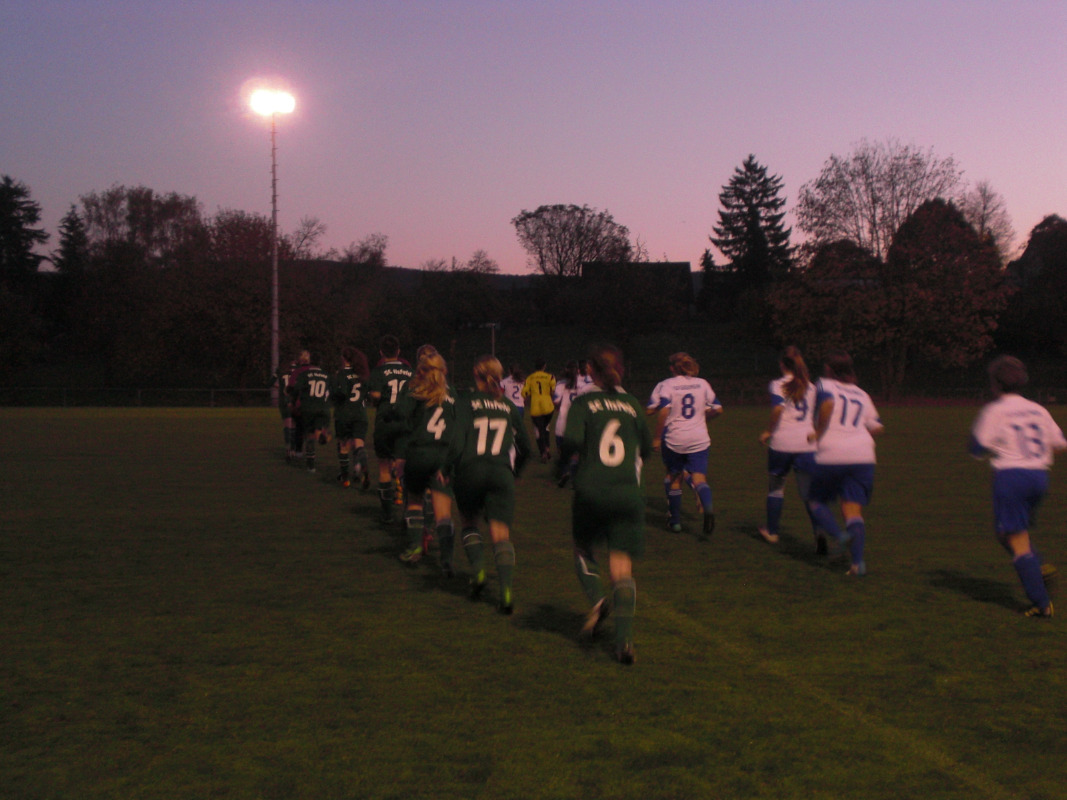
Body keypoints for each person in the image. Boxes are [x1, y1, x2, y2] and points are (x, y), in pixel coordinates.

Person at [560, 344, 652, 665]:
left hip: (593, 490)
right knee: (621, 565)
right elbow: (647, 448)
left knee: (583, 549)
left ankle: (599, 602)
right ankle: (624, 642)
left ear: (592, 372)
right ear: (620, 371)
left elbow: (570, 441)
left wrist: (566, 464)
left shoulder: (584, 402)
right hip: (628, 493)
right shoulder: (632, 405)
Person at [970, 355, 1066, 618]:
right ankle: (1039, 567)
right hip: (1039, 478)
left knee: (1016, 539)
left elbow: (976, 449)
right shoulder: (1038, 409)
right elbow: (1060, 443)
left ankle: (1041, 603)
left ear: (995, 384)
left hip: (1012, 478)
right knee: (1008, 533)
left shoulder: (995, 410)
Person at [450, 355, 531, 611]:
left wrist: (446, 467)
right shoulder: (507, 405)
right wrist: (514, 472)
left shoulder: (467, 402)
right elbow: (526, 447)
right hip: (500, 473)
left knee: (469, 522)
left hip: (471, 471)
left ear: (477, 374)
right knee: (501, 535)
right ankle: (506, 592)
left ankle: (478, 573)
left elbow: (457, 440)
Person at [806, 350, 884, 576]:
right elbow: (877, 427)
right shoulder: (861, 393)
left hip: (832, 452)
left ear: (829, 369)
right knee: (852, 509)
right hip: (863, 455)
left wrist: (819, 433)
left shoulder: (824, 385)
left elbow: (828, 405)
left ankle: (841, 537)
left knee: (816, 502)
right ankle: (857, 564)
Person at [646, 352, 722, 538]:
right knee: (699, 479)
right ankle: (708, 509)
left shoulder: (666, 385)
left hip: (675, 439)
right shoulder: (702, 383)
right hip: (699, 438)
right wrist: (702, 419)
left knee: (674, 478)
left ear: (672, 368)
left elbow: (659, 411)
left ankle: (676, 522)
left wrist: (656, 438)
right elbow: (718, 409)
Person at [392, 351, 457, 564]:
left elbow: (401, 419)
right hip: (443, 456)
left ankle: (414, 548)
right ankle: (446, 558)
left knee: (415, 502)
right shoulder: (453, 395)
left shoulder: (416, 394)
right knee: (443, 511)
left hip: (419, 454)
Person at [758, 346, 821, 548]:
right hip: (807, 445)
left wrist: (768, 431)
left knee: (776, 488)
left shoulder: (778, 384)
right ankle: (819, 532)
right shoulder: (811, 386)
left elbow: (778, 408)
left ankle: (773, 532)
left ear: (782, 364)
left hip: (782, 444)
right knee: (808, 492)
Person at [368, 336, 415, 523]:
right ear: (399, 351)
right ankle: (408, 513)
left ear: (381, 352)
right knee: (403, 469)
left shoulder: (379, 371)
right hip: (405, 423)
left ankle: (387, 513)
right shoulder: (410, 372)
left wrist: (376, 399)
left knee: (384, 468)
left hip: (385, 422)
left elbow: (376, 395)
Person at [331, 346, 371, 489]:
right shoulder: (362, 374)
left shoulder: (341, 374)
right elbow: (367, 394)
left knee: (343, 447)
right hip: (360, 414)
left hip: (344, 414)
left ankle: (345, 478)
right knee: (359, 445)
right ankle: (362, 467)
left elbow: (339, 394)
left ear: (344, 358)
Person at [287, 350, 331, 473]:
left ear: (311, 362)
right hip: (323, 409)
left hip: (308, 408)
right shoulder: (327, 375)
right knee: (321, 428)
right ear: (321, 363)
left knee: (309, 436)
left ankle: (311, 466)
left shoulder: (304, 375)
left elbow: (296, 390)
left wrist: (292, 402)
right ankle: (324, 434)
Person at [552, 361, 583, 487]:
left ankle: (565, 472)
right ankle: (574, 477)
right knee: (576, 453)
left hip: (562, 422)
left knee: (562, 452)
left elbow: (556, 402)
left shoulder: (560, 384)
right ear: (578, 371)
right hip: (576, 423)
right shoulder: (583, 385)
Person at [522, 358, 557, 462]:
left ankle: (543, 453)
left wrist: (530, 397)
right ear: (544, 366)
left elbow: (524, 393)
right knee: (546, 428)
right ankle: (548, 448)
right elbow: (553, 390)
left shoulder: (530, 378)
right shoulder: (550, 377)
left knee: (539, 430)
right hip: (548, 406)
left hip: (535, 407)